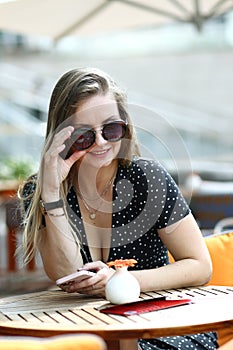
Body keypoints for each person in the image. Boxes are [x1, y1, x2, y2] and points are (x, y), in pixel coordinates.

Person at [19, 67, 218, 350]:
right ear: (61, 136)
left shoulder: (146, 178)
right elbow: (66, 273)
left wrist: (121, 281)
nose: (101, 142)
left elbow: (200, 266)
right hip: (91, 327)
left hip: (161, 324)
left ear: (125, 126)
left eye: (111, 128)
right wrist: (52, 193)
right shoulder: (40, 190)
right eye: (84, 134)